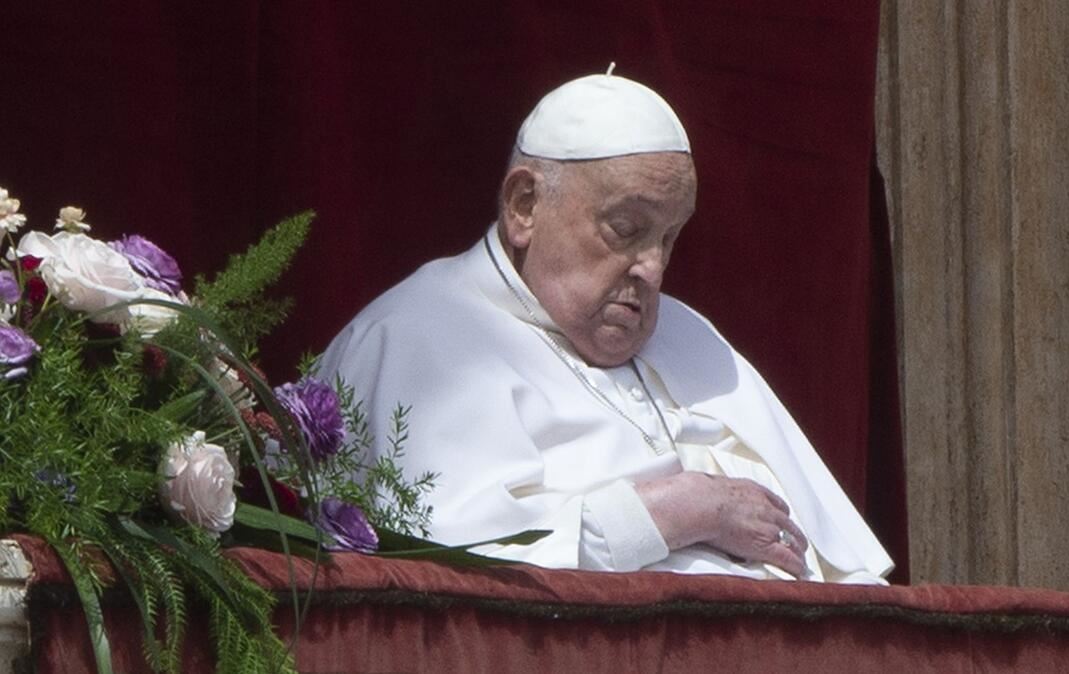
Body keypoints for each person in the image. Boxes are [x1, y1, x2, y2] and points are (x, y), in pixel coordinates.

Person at [318, 68, 893, 583]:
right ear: (524, 206)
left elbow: (843, 570)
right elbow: (460, 572)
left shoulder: (688, 333)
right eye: (627, 229)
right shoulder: (416, 336)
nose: (653, 269)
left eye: (669, 237)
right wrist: (676, 512)